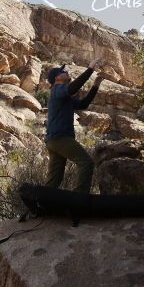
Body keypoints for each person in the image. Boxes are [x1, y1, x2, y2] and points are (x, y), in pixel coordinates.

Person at [43, 59, 104, 193]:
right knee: (86, 163)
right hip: (60, 138)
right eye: (63, 71)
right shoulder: (57, 89)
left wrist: (95, 85)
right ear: (57, 78)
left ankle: (43, 203)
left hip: (54, 140)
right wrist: (90, 69)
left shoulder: (63, 97)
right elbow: (72, 88)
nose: (66, 71)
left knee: (55, 178)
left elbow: (83, 104)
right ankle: (80, 197)